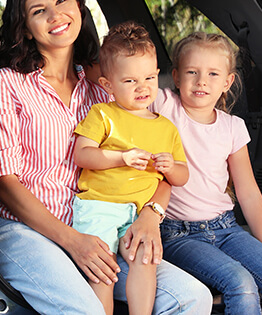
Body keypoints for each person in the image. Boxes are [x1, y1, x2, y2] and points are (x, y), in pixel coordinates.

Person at [0, 0, 212, 314]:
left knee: (194, 298)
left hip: (102, 223)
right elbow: (3, 183)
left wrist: (151, 216)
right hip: (23, 229)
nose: (55, 14)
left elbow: (159, 169)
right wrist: (73, 242)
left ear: (79, 8)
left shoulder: (105, 90)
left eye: (62, 1)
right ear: (25, 29)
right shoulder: (5, 83)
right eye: (38, 10)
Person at [154, 32, 262, 315]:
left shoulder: (233, 127)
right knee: (241, 283)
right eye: (192, 72)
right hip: (178, 235)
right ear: (175, 77)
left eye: (213, 73)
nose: (202, 81)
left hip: (226, 228)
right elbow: (128, 80)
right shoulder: (165, 105)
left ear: (227, 82)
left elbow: (248, 192)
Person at [71, 21, 190, 315]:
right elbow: (82, 155)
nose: (143, 87)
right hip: (98, 205)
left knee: (145, 259)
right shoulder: (102, 114)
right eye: (130, 81)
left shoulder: (166, 127)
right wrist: (120, 157)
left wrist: (169, 166)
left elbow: (182, 176)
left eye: (150, 77)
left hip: (138, 213)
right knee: (104, 271)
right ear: (107, 85)